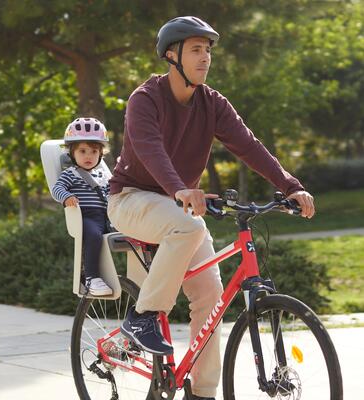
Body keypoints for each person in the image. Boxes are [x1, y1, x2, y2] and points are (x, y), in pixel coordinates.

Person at [107, 16, 315, 400]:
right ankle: (142, 317)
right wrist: (181, 189)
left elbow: (249, 146)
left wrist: (291, 186)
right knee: (188, 227)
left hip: (177, 204)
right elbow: (151, 150)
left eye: (207, 51)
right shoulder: (145, 99)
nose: (205, 58)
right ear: (172, 55)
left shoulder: (212, 102)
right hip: (131, 198)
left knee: (211, 297)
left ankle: (201, 392)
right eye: (196, 50)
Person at [52, 117, 113, 296]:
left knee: (130, 238)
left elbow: (112, 193)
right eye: (82, 151)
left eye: (94, 151)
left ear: (101, 154)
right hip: (85, 216)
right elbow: (57, 188)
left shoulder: (104, 175)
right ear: (72, 153)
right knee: (93, 236)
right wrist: (67, 197)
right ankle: (91, 277)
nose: (88, 156)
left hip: (106, 216)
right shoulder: (71, 174)